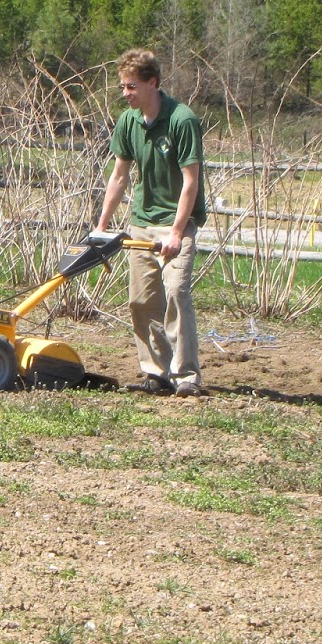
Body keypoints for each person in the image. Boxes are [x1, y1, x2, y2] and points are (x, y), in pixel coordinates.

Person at [95, 48, 208, 397]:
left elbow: (191, 181)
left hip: (176, 223)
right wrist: (101, 227)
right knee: (141, 302)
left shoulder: (181, 120)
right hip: (142, 223)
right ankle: (156, 373)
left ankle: (186, 376)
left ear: (152, 83)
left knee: (176, 294)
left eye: (131, 86)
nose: (125, 93)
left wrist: (176, 232)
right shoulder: (128, 122)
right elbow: (119, 176)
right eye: (122, 87)